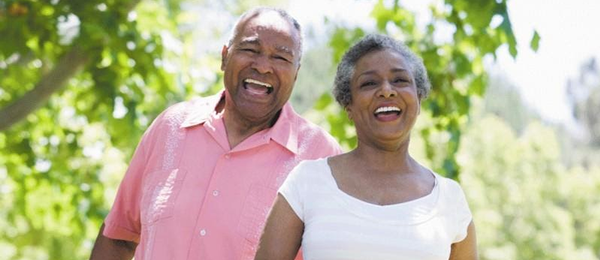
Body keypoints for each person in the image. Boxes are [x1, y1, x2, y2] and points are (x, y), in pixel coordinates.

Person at [90, 7, 341, 260]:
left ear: (296, 74)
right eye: (250, 50)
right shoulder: (170, 127)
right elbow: (118, 238)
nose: (263, 67)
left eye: (281, 58)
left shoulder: (321, 159)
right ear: (224, 57)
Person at [255, 34, 477, 260]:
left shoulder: (449, 198)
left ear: (419, 99)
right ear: (348, 105)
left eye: (400, 80)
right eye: (369, 83)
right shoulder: (307, 181)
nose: (387, 90)